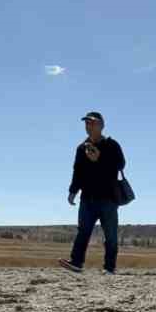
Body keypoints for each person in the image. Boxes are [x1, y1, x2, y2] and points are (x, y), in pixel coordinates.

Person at [60, 111, 127, 275]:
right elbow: (77, 172)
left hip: (109, 198)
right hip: (88, 198)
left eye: (93, 123)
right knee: (83, 231)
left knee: (110, 235)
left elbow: (120, 165)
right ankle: (76, 262)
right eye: (87, 123)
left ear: (102, 125)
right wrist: (72, 191)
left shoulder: (112, 145)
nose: (89, 126)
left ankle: (109, 267)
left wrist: (100, 159)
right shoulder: (81, 148)